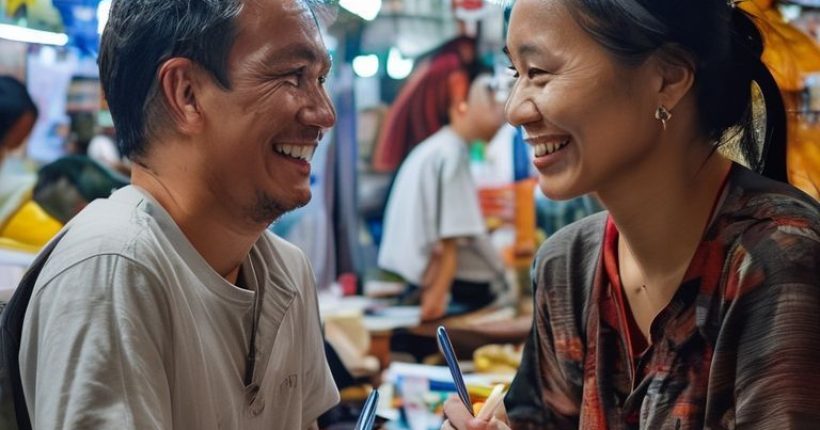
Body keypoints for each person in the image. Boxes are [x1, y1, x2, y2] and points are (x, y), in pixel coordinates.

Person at [443, 0, 819, 429]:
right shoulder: (566, 269)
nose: (515, 109)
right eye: (516, 74)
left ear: (669, 77)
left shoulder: (777, 260)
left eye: (540, 72)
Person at [19, 0, 339, 429]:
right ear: (186, 93)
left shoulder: (285, 269)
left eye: (320, 79)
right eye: (292, 76)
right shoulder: (112, 272)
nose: (324, 113)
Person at [378, 73, 507, 322]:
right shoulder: (453, 154)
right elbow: (450, 241)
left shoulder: (436, 148)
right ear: (463, 105)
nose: (501, 114)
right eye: (491, 101)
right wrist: (436, 300)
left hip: (419, 282)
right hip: (456, 289)